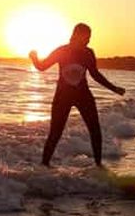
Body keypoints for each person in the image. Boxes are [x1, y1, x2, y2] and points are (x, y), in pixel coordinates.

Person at [29, 23, 125, 167]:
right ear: (77, 36)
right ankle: (44, 166)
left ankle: (99, 166)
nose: (88, 41)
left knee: (95, 130)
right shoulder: (62, 51)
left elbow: (95, 74)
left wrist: (114, 88)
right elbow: (42, 67)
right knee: (55, 133)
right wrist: (34, 58)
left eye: (89, 38)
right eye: (86, 37)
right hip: (62, 97)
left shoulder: (88, 53)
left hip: (83, 96)